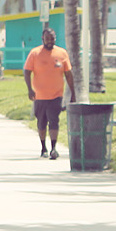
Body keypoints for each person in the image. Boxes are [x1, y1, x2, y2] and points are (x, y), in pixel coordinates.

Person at [23, 25, 75, 160]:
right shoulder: (35, 53)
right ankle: (43, 147)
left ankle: (53, 148)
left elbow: (68, 74)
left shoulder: (62, 53)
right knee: (41, 123)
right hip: (39, 96)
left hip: (56, 95)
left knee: (54, 121)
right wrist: (29, 89)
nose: (50, 41)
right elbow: (27, 71)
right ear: (42, 39)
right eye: (47, 39)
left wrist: (72, 94)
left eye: (52, 39)